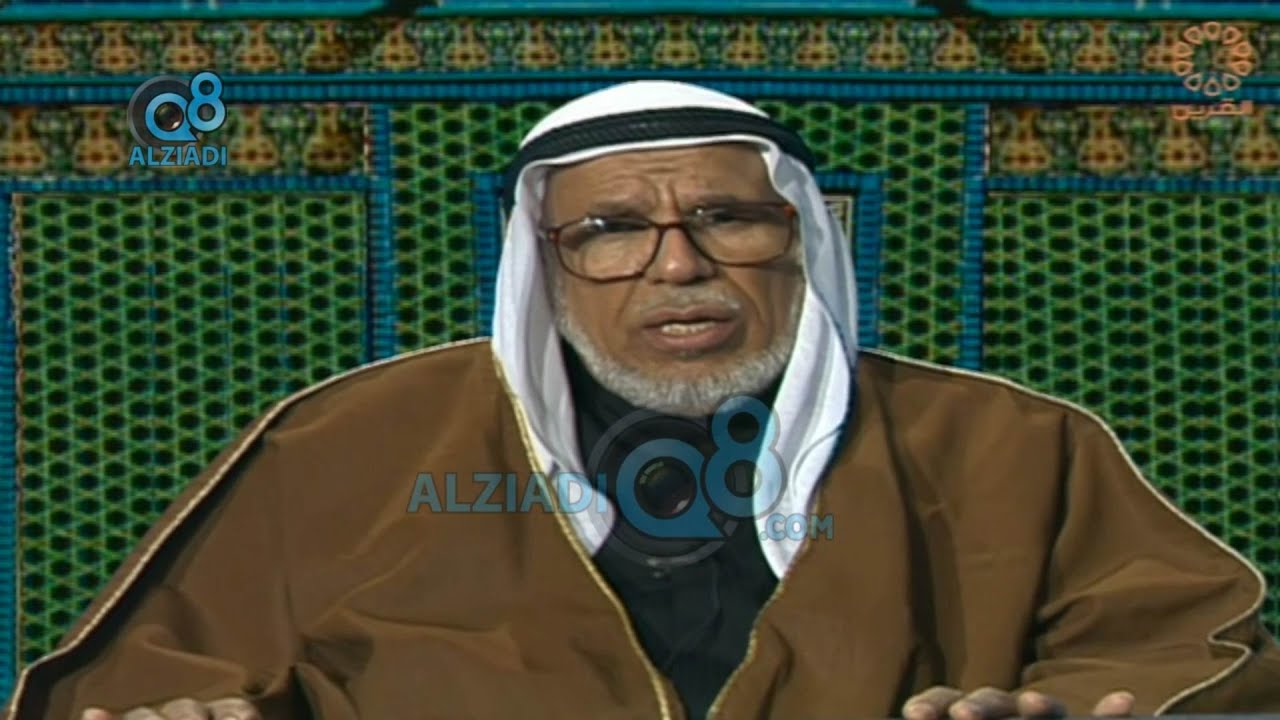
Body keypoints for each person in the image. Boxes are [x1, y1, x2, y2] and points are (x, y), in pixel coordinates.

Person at [6, 81, 1280, 720]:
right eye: (612, 231)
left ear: (800, 239)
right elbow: (157, 687)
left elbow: (1201, 661)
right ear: (544, 263)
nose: (677, 265)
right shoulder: (350, 443)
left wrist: (1055, 711)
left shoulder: (1010, 443)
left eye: (726, 217)